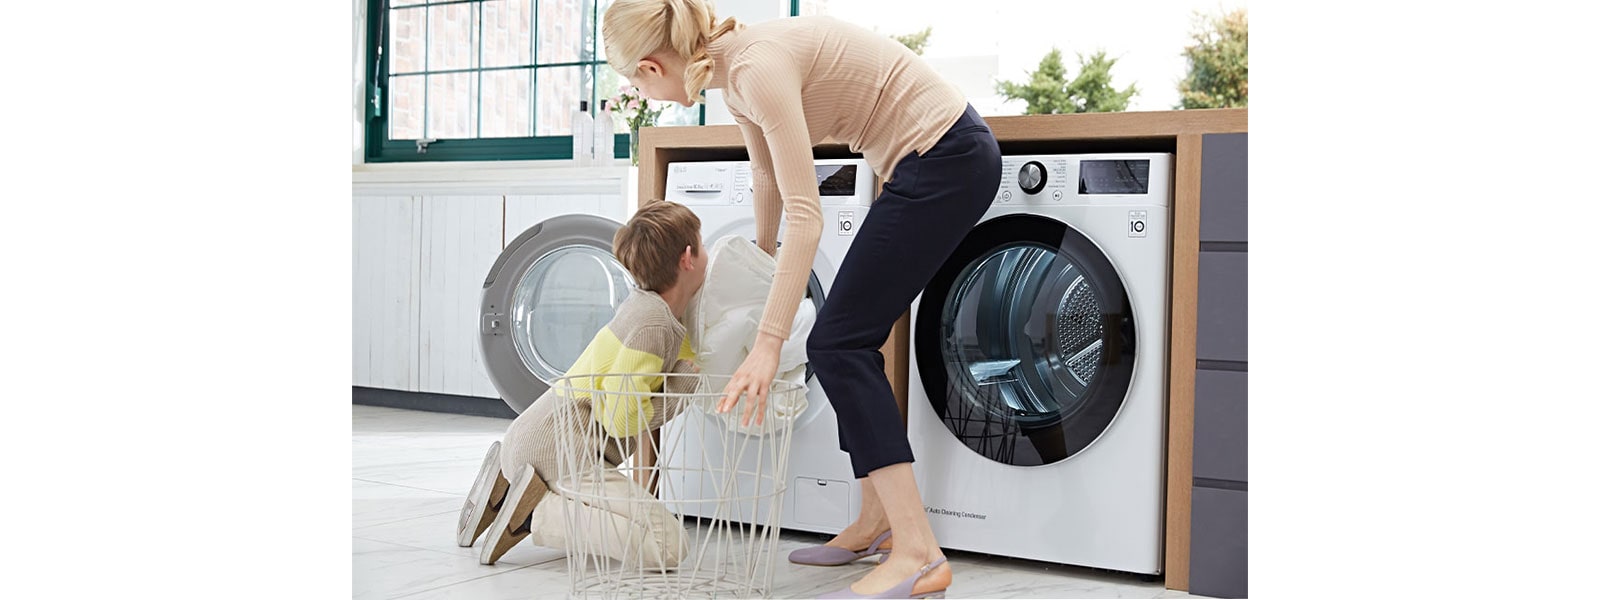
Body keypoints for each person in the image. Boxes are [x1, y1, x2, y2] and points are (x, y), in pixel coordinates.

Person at [601, 1, 1002, 598]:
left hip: (946, 159)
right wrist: (763, 278)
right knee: (848, 343)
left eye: (634, 81)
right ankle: (876, 521)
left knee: (838, 345)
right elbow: (766, 178)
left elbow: (806, 217)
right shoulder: (733, 72)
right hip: (929, 161)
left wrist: (768, 345)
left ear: (652, 67)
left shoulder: (754, 68)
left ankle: (919, 552)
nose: (639, 92)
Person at [455, 201, 707, 569]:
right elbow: (621, 419)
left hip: (530, 436)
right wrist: (683, 391)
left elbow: (682, 359)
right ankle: (533, 514)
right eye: (703, 245)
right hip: (562, 455)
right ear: (687, 258)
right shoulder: (653, 326)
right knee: (667, 546)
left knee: (641, 526)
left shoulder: (646, 307)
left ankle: (510, 484)